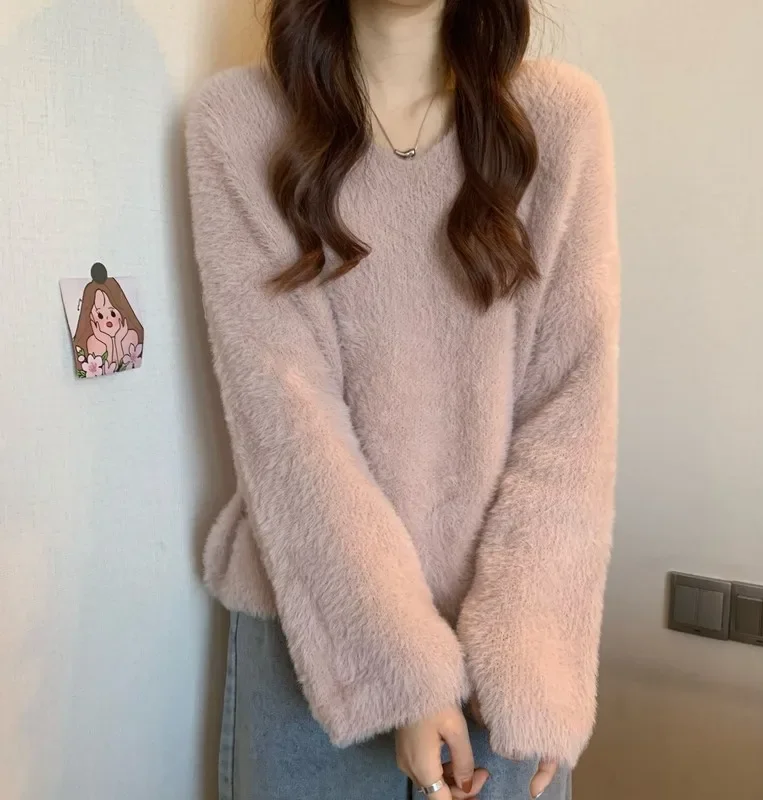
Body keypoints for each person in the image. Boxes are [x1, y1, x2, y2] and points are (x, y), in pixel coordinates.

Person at [185, 1, 619, 798]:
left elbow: (572, 411)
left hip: (505, 659)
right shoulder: (238, 124)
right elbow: (285, 417)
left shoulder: (559, 119)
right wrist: (402, 672)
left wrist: (535, 663)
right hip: (316, 643)